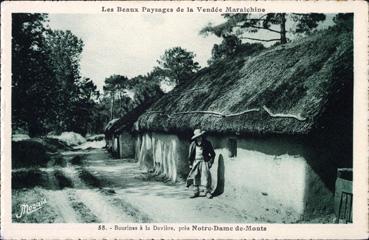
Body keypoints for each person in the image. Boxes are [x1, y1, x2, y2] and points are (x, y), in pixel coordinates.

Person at [186, 129, 216, 199]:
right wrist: (190, 163)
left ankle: (207, 192)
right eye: (197, 137)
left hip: (204, 161)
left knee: (206, 176)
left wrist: (210, 162)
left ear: (202, 136)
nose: (199, 138)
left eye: (200, 136)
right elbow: (190, 155)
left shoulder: (207, 143)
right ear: (195, 138)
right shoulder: (193, 144)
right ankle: (196, 192)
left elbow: (213, 154)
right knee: (195, 176)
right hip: (196, 162)